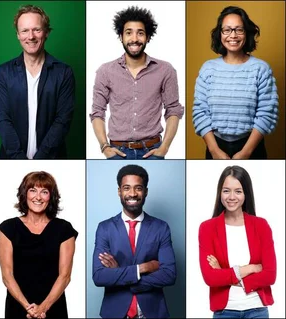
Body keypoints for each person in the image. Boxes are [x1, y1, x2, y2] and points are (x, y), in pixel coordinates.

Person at [90, 6, 184, 160]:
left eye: (140, 33)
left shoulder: (165, 70)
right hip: (117, 151)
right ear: (121, 36)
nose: (134, 39)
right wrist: (104, 146)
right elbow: (97, 112)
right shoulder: (105, 71)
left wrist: (165, 147)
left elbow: (173, 110)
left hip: (153, 150)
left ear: (147, 37)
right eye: (128, 33)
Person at [192, 6, 278, 160]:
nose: (233, 35)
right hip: (215, 146)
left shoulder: (261, 69)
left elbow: (267, 112)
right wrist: (214, 150)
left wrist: (246, 152)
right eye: (227, 30)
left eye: (239, 29)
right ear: (220, 34)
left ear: (247, 33)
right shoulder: (208, 69)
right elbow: (200, 112)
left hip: (252, 146)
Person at [92, 164, 176, 318]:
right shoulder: (104, 228)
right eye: (126, 188)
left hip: (153, 312)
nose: (132, 193)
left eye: (138, 188)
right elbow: (99, 276)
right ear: (119, 191)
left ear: (145, 192)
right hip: (115, 312)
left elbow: (169, 275)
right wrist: (144, 267)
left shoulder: (161, 228)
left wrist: (119, 276)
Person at [0, 5, 75, 159]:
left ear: (46, 32)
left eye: (36, 29)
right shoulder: (4, 72)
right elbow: (3, 120)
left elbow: (63, 120)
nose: (30, 36)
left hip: (53, 159)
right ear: (18, 34)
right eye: (24, 30)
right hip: (11, 160)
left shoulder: (64, 72)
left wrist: (40, 159)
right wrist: (19, 159)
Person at [198, 166, 276, 318]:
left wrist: (225, 272)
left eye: (238, 191)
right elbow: (210, 278)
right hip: (224, 311)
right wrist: (251, 268)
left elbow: (270, 275)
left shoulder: (261, 226)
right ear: (220, 192)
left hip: (257, 310)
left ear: (246, 193)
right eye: (226, 190)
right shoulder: (207, 228)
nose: (231, 197)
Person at [0, 171, 77, 318]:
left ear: (51, 197)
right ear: (24, 194)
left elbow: (65, 276)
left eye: (44, 192)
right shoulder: (8, 228)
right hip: (18, 306)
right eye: (32, 190)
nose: (38, 197)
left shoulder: (64, 229)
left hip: (53, 307)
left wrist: (43, 308)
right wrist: (29, 307)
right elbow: (7, 275)